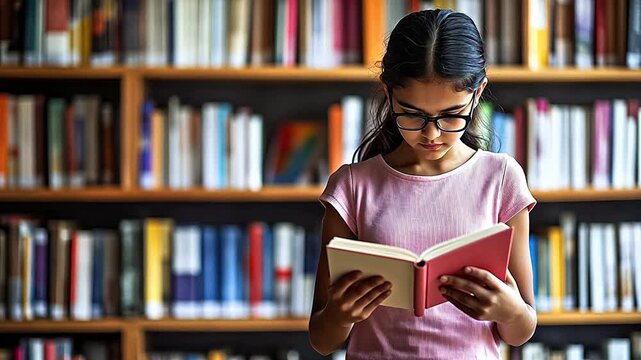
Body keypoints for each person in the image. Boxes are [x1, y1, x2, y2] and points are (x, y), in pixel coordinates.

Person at [308, 9, 537, 359]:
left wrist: (510, 311)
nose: (432, 134)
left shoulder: (502, 179)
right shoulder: (353, 187)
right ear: (388, 94)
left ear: (478, 95)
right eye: (412, 114)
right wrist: (340, 317)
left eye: (451, 115)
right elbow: (322, 339)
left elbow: (521, 331)